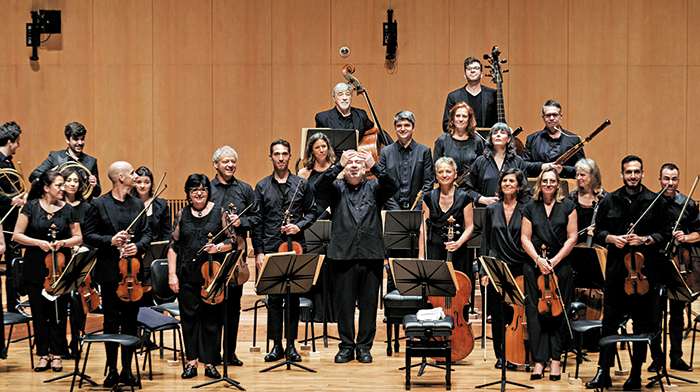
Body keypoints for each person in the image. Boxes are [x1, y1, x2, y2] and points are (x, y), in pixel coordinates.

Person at [585, 155, 670, 390]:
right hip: (615, 274)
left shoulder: (655, 201)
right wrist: (612, 238)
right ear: (622, 174)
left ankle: (636, 374)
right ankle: (604, 372)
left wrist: (645, 239)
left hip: (644, 276)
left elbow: (665, 234)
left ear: (642, 174)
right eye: (628, 172)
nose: (632, 175)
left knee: (642, 326)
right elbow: (598, 231)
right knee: (610, 324)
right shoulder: (610, 200)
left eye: (636, 172)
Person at [315, 149, 398, 364]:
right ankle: (346, 347)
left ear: (364, 169)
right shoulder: (335, 188)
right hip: (343, 254)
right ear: (344, 167)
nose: (353, 165)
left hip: (371, 254)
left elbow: (393, 186)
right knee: (344, 304)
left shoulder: (375, 187)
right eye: (349, 162)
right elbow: (317, 186)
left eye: (358, 163)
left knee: (369, 305)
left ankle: (363, 347)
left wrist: (375, 165)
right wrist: (336, 166)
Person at [84, 161, 152, 387]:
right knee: (111, 321)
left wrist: (138, 247)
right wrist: (110, 241)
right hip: (110, 272)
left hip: (133, 273)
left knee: (131, 322)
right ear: (121, 177)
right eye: (132, 173)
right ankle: (112, 370)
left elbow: (147, 234)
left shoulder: (137, 204)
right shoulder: (98, 204)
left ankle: (127, 370)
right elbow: (88, 236)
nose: (136, 176)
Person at [253, 139, 317, 363]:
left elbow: (312, 212)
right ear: (270, 157)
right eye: (276, 154)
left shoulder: (302, 184)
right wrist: (259, 252)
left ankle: (291, 345)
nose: (281, 158)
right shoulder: (261, 186)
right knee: (273, 299)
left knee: (292, 299)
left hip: (295, 247)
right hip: (271, 247)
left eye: (285, 154)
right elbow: (257, 221)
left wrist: (298, 225)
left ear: (290, 157)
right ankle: (276, 346)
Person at [13, 170, 82, 372]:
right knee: (39, 312)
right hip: (35, 266)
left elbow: (77, 237)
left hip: (60, 268)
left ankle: (58, 354)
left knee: (59, 313)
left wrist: (63, 242)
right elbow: (17, 235)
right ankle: (43, 354)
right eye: (59, 185)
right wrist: (38, 243)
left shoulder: (68, 209)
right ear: (46, 188)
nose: (64, 188)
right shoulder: (30, 208)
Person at [167, 174, 234, 380]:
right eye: (194, 189)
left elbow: (233, 240)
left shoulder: (219, 212)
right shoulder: (181, 214)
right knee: (189, 319)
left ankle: (210, 363)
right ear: (188, 192)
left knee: (211, 320)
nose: (199, 193)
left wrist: (219, 246)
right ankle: (191, 362)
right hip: (187, 275)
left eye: (203, 189)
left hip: (211, 276)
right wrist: (172, 275)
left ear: (208, 191)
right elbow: (173, 246)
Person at [521, 167, 578, 381]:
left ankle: (555, 360)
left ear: (558, 184)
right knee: (535, 313)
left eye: (552, 181)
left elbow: (572, 237)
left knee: (558, 313)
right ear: (539, 184)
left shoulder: (568, 206)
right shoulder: (530, 207)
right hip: (534, 265)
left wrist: (555, 260)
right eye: (544, 180)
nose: (548, 184)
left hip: (560, 266)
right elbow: (525, 238)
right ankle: (539, 361)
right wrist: (538, 259)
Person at [209, 146, 259, 367]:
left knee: (233, 307)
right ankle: (211, 353)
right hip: (213, 258)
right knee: (213, 307)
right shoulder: (207, 189)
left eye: (233, 161)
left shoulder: (246, 190)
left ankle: (230, 352)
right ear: (216, 164)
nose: (230, 165)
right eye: (225, 161)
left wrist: (242, 222)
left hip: (236, 259)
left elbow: (257, 219)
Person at [648, 163, 700, 372]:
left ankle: (676, 357)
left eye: (674, 179)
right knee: (654, 315)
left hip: (679, 264)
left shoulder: (688, 205)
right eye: (666, 178)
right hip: (655, 263)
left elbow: (699, 233)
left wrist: (685, 237)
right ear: (659, 179)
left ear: (678, 180)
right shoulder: (651, 203)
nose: (670, 183)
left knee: (677, 314)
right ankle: (656, 358)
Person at [479, 168, 530, 369]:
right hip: (497, 267)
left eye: (512, 181)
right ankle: (500, 355)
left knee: (515, 313)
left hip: (519, 267)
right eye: (504, 181)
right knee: (498, 313)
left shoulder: (527, 208)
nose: (507, 184)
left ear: (519, 185)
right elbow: (486, 241)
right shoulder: (492, 209)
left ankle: (515, 352)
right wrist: (484, 271)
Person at [418, 157, 474, 274]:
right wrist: (421, 256)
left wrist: (458, 243)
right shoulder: (428, 197)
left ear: (455, 174)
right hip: (435, 250)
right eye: (440, 172)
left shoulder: (464, 197)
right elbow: (424, 228)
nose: (444, 175)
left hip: (459, 249)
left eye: (448, 171)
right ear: (436, 175)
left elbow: (469, 226)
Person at [378, 110, 434, 211]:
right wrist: (396, 211)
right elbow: (382, 185)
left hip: (417, 209)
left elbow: (428, 184)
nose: (403, 129)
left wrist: (416, 209)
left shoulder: (424, 151)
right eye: (399, 126)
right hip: (391, 210)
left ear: (413, 127)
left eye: (407, 125)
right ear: (395, 128)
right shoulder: (385, 152)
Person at [30, 122, 101, 198]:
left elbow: (97, 193)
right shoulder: (55, 157)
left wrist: (94, 184)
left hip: (82, 204)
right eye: (76, 139)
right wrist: (50, 175)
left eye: (82, 139)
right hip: (59, 203)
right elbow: (33, 176)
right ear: (67, 140)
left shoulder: (91, 161)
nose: (80, 143)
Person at [465, 122, 525, 206]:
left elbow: (524, 190)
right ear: (491, 139)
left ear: (508, 139)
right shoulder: (480, 161)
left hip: (511, 212)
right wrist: (482, 199)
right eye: (495, 133)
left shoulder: (518, 161)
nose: (498, 135)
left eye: (502, 133)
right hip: (486, 211)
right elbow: (468, 189)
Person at [0, 121, 25, 314]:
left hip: (11, 221)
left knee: (13, 266)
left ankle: (14, 305)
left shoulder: (9, 163)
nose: (18, 145)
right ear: (9, 142)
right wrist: (11, 200)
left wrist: (20, 197)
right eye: (17, 142)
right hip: (2, 221)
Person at [523, 100, 584, 179]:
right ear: (543, 117)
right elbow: (524, 165)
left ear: (560, 116)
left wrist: (563, 169)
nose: (551, 118)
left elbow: (583, 169)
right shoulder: (532, 139)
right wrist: (542, 166)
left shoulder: (573, 139)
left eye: (554, 115)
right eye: (548, 115)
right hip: (539, 185)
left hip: (565, 185)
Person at [442, 56, 498, 132]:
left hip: (487, 141)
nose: (472, 71)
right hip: (462, 141)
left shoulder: (492, 94)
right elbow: (446, 125)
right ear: (465, 75)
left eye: (476, 68)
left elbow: (499, 122)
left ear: (481, 74)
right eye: (469, 69)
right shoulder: (453, 97)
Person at [434, 102, 485, 178]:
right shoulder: (442, 140)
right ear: (452, 118)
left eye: (464, 116)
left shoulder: (477, 141)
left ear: (469, 119)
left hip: (471, 188)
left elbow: (481, 168)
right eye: (457, 116)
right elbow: (435, 168)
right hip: (448, 186)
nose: (461, 119)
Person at [568, 159, 607, 244]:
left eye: (582, 175)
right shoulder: (572, 197)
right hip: (576, 244)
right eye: (577, 175)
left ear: (593, 176)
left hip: (599, 244)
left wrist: (597, 231)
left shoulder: (604, 198)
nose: (578, 178)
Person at [298, 132, 336, 219]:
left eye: (324, 146)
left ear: (328, 148)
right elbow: (301, 201)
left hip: (331, 218)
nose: (321, 150)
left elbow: (338, 201)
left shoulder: (337, 172)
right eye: (317, 147)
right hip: (310, 219)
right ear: (312, 151)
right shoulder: (303, 173)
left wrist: (320, 220)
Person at [131, 166, 171, 242]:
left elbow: (166, 232)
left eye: (146, 182)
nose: (142, 186)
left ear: (151, 184)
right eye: (139, 182)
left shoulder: (162, 204)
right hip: (136, 249)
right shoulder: (129, 204)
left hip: (156, 248)